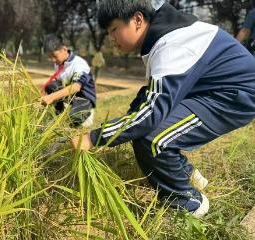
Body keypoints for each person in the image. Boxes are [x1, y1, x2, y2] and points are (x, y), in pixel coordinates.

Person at [71, 0, 255, 218]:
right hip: (211, 89)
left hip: (236, 95)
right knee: (141, 111)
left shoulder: (172, 44)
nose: (111, 39)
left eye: (114, 29)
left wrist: (93, 138)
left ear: (138, 20)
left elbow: (149, 115)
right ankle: (187, 174)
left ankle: (188, 204)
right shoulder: (163, 35)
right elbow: (148, 100)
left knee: (152, 138)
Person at [41, 34, 96, 127]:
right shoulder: (59, 62)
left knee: (74, 119)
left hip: (84, 98)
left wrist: (52, 97)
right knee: (51, 85)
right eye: (50, 57)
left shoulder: (79, 65)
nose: (52, 60)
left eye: (54, 56)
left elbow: (76, 87)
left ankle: (85, 114)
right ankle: (59, 112)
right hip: (70, 97)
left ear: (64, 49)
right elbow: (57, 80)